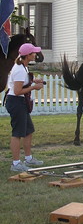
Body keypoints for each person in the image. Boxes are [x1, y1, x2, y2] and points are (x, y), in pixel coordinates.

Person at [5, 43, 45, 172]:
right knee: (17, 133)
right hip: (16, 102)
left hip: (20, 102)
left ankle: (28, 158)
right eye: (33, 53)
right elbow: (17, 91)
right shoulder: (20, 70)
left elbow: (23, 82)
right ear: (27, 55)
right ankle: (16, 164)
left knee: (28, 131)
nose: (35, 54)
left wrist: (33, 81)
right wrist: (33, 87)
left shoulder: (23, 67)